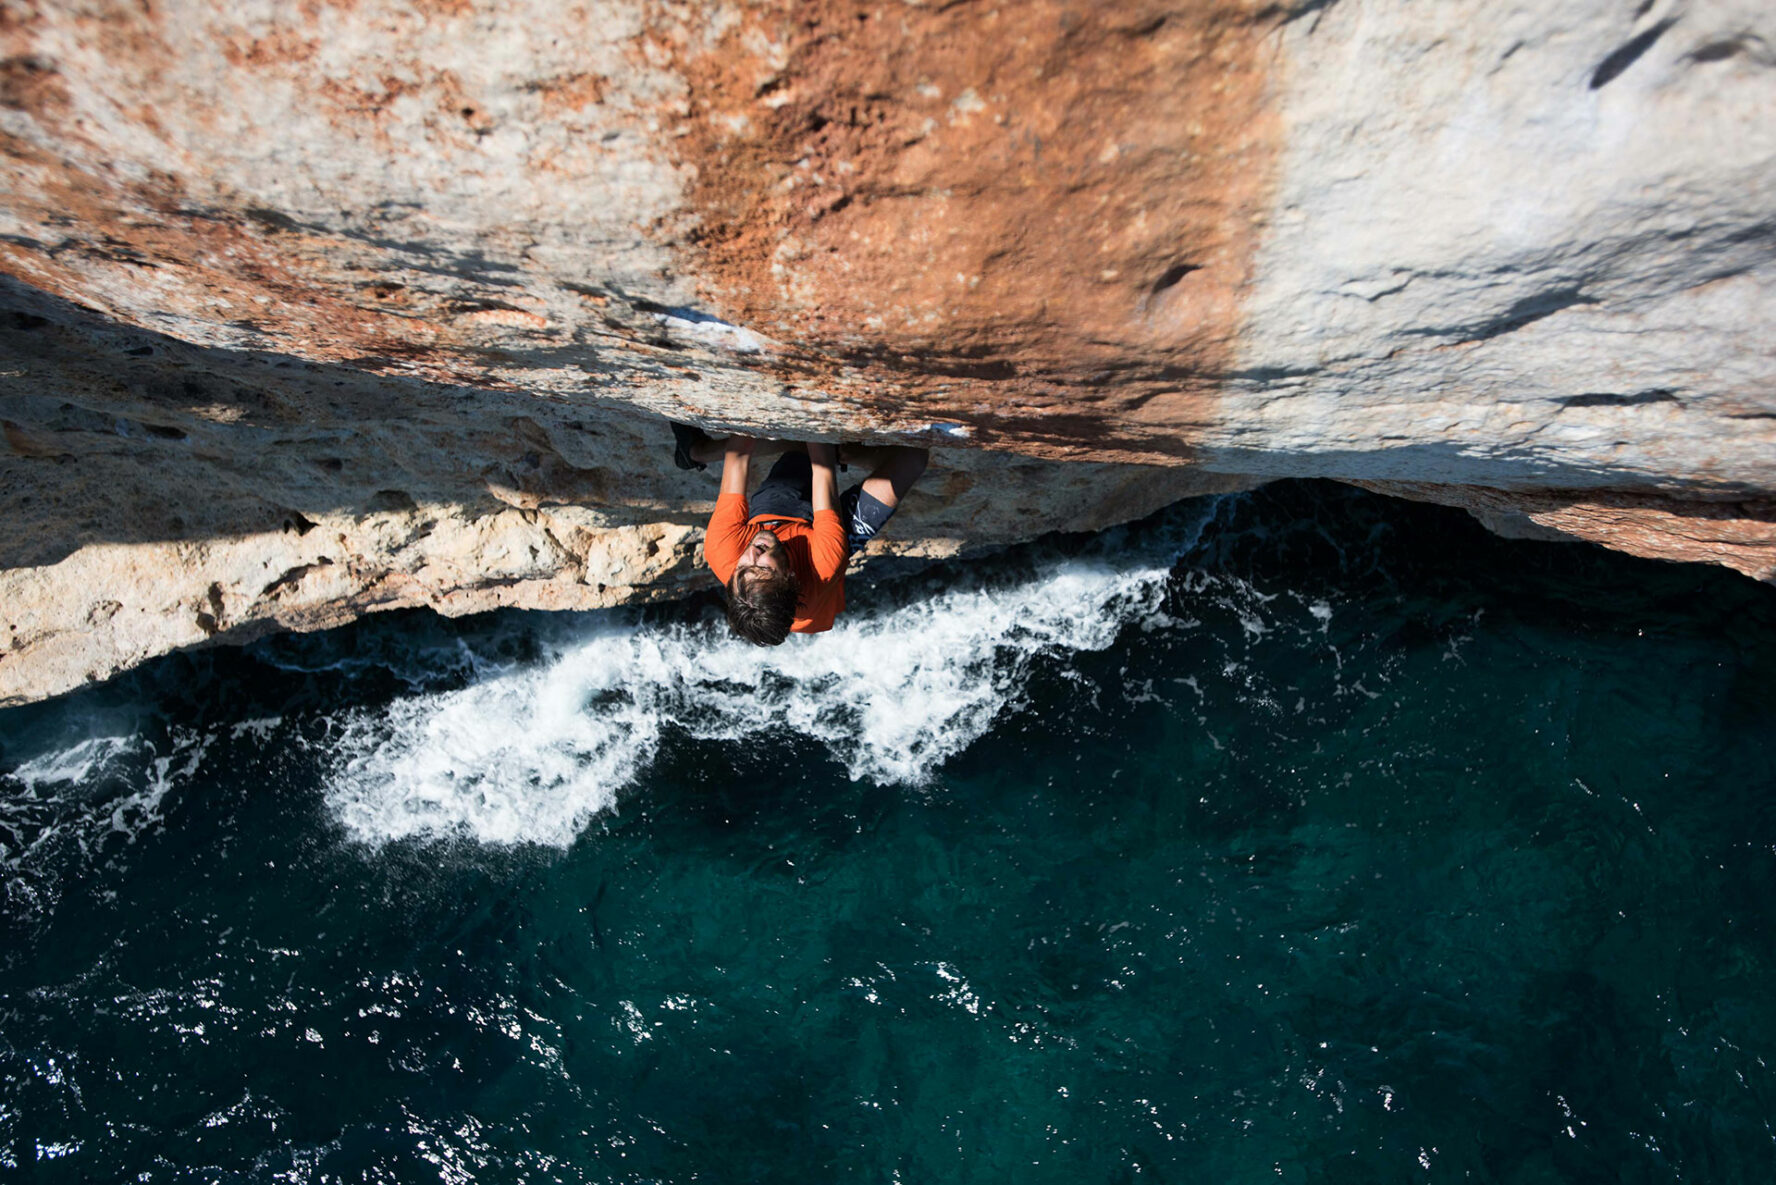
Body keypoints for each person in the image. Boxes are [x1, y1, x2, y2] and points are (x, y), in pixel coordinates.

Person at [672, 423, 928, 645]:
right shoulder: (824, 565)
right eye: (763, 568)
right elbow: (823, 469)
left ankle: (696, 452)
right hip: (822, 547)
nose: (752, 552)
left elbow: (738, 457)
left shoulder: (723, 550)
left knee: (799, 447)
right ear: (790, 577)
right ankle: (846, 451)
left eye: (743, 567)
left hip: (778, 511)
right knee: (912, 460)